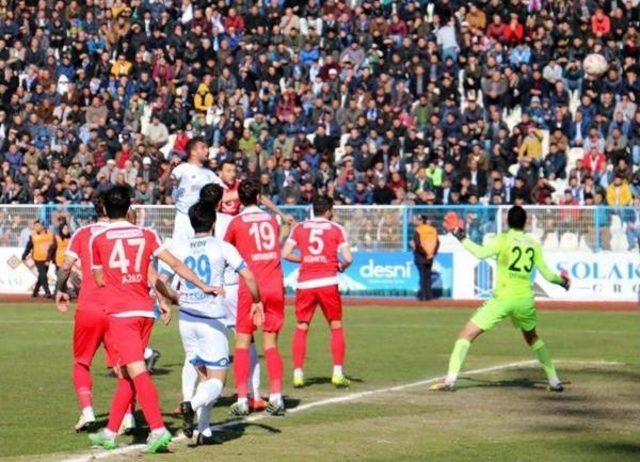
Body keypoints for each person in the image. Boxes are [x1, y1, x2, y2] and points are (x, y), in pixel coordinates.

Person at [85, 185, 222, 452]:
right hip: (145, 312)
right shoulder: (146, 234)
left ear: (104, 210)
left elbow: (99, 278)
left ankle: (158, 428)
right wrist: (201, 286)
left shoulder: (97, 238)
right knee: (126, 372)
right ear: (128, 208)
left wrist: (116, 282)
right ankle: (111, 432)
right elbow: (174, 266)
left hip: (121, 313)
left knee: (135, 370)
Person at [430, 206, 571, 392]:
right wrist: (563, 281)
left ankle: (450, 380)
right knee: (533, 338)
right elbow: (548, 275)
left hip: (503, 298)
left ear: (507, 222)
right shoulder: (533, 244)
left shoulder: (503, 239)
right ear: (525, 222)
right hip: (524, 299)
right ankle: (554, 381)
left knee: (466, 334)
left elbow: (480, 253)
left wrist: (460, 235)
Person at [158, 201, 263, 445]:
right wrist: (257, 300)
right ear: (214, 222)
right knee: (217, 381)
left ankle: (204, 431)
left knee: (204, 378)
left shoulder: (181, 247)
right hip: (212, 321)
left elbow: (161, 279)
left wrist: (170, 299)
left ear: (192, 223)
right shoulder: (222, 246)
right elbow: (248, 275)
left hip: (187, 320)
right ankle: (191, 406)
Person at [54, 193, 118, 432]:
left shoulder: (83, 233)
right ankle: (128, 416)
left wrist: (60, 290)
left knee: (81, 362)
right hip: (118, 308)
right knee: (123, 365)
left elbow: (66, 267)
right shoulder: (128, 232)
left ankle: (88, 412)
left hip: (89, 306)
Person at [199, 183, 265, 411]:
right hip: (233, 287)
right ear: (222, 200)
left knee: (199, 345)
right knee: (247, 340)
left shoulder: (194, 221)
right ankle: (252, 394)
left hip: (207, 290)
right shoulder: (231, 221)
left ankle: (193, 397)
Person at [224, 180, 286, 416]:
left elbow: (226, 250)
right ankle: (277, 397)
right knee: (270, 343)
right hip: (274, 285)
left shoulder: (236, 222)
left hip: (250, 287)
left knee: (242, 342)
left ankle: (241, 399)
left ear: (240, 198)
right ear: (259, 197)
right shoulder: (271, 220)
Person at [282, 196, 353, 388]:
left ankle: (298, 374)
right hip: (328, 281)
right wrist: (340, 265)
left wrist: (305, 260)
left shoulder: (299, 228)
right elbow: (348, 257)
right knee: (336, 325)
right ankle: (337, 373)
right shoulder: (336, 229)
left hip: (305, 283)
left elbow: (285, 253)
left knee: (301, 327)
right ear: (329, 211)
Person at [170, 137, 224, 242]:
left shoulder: (210, 174)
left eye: (207, 148)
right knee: (180, 253)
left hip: (202, 222)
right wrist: (169, 168)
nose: (207, 151)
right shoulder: (182, 168)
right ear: (193, 152)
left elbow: (223, 193)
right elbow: (165, 183)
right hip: (184, 218)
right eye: (203, 148)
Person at [22, 219, 54, 298]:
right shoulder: (33, 235)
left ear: (42, 226)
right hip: (37, 258)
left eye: (37, 225)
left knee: (42, 275)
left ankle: (35, 292)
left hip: (47, 258)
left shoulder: (50, 234)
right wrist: (24, 255)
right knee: (43, 274)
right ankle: (48, 292)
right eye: (35, 226)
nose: (35, 227)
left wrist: (53, 257)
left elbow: (53, 246)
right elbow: (29, 246)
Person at [412, 215, 439, 301]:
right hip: (430, 256)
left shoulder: (418, 230)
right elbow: (437, 243)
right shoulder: (433, 230)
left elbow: (417, 244)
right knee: (427, 276)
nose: (416, 221)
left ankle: (422, 296)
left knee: (423, 276)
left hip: (421, 256)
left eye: (418, 220)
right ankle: (429, 296)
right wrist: (432, 253)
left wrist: (425, 253)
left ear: (421, 221)